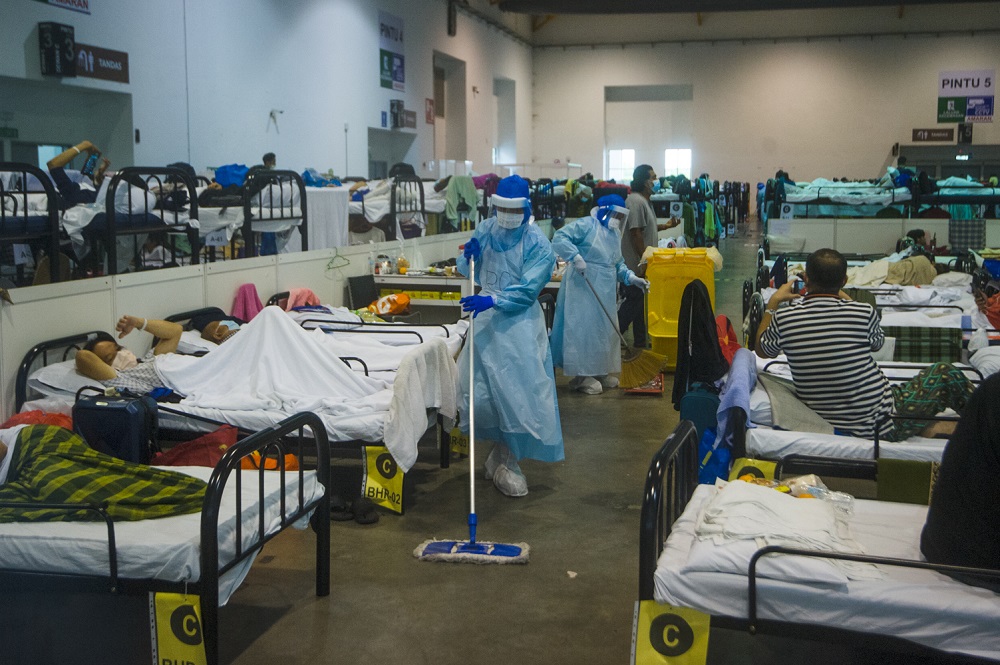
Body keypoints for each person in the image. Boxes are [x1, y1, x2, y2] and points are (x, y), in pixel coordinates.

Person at [755, 248, 974, 441]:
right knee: (945, 374)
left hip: (835, 414)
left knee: (909, 389)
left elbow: (761, 350)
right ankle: (987, 427)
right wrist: (845, 296)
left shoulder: (786, 318)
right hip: (881, 420)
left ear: (806, 279)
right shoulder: (862, 312)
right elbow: (878, 344)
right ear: (844, 281)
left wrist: (773, 303)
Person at [456, 174, 563, 497]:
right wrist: (468, 255)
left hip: (518, 330)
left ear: (526, 210)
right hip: (487, 325)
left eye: (513, 209)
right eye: (501, 208)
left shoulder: (538, 245)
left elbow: (527, 290)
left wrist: (495, 299)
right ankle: (499, 454)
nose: (506, 215)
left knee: (520, 397)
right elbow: (466, 268)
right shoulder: (486, 230)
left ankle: (511, 461)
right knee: (486, 396)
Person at [550, 194, 647, 394]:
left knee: (603, 330)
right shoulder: (586, 225)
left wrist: (630, 277)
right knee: (584, 329)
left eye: (621, 217)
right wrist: (575, 256)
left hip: (605, 287)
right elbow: (560, 237)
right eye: (616, 215)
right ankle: (582, 375)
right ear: (604, 210)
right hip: (582, 284)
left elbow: (617, 263)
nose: (618, 220)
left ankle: (600, 370)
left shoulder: (613, 233)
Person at [920, 373, 1000, 592]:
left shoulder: (991, 386)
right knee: (945, 375)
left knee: (945, 374)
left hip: (943, 546)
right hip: (981, 565)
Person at [619, 164, 680, 349]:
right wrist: (644, 260)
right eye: (653, 178)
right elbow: (636, 233)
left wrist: (666, 226)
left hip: (643, 263)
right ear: (645, 182)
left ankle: (640, 343)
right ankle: (611, 335)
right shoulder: (635, 201)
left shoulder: (646, 201)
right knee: (634, 302)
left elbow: (646, 229)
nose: (656, 181)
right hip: (634, 265)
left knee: (640, 306)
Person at [45, 140, 111, 208]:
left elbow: (53, 165)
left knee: (54, 166)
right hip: (85, 192)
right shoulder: (94, 190)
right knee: (87, 174)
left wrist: (84, 145)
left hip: (69, 198)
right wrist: (101, 170)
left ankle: (87, 147)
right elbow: (90, 175)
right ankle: (93, 154)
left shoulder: (76, 195)